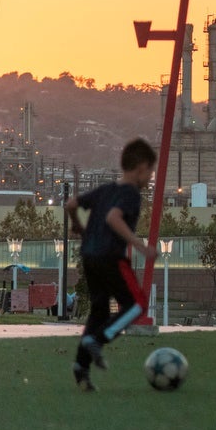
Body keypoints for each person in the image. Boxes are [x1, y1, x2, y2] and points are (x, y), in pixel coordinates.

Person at [66, 139, 158, 392]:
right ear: (140, 168)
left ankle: (80, 368)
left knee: (99, 310)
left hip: (89, 255)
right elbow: (113, 217)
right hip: (110, 256)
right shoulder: (131, 194)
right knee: (137, 304)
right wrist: (140, 245)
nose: (150, 178)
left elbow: (71, 204)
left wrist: (77, 224)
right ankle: (99, 339)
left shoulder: (105, 190)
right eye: (150, 171)